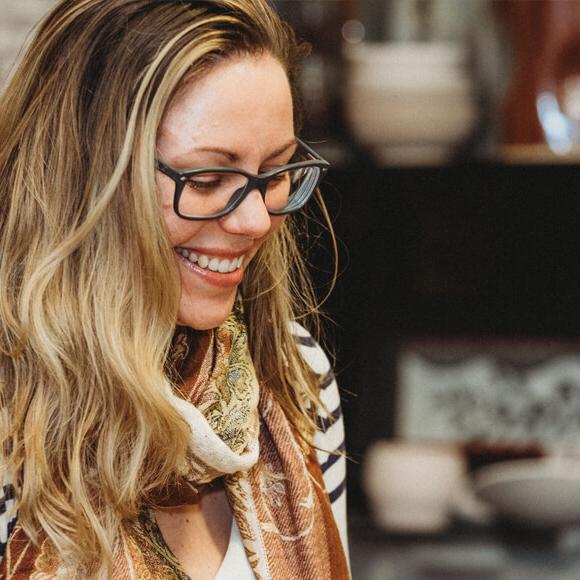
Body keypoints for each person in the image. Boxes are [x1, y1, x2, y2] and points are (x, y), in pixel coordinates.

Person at [0, 0, 349, 578]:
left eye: (277, 171)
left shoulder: (295, 373)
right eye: (209, 179)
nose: (257, 221)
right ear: (86, 179)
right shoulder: (16, 418)